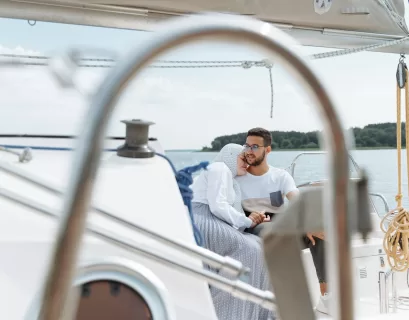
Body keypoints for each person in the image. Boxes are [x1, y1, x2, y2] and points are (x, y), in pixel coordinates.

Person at [235, 127, 330, 315]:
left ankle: (327, 297)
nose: (249, 151)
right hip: (256, 227)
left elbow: (297, 200)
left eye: (255, 146)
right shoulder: (238, 179)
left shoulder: (280, 176)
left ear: (267, 150)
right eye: (247, 146)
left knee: (318, 233)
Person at [191, 143, 274, 320]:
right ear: (229, 155)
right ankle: (229, 314)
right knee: (250, 250)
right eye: (243, 158)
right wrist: (246, 220)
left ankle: (258, 311)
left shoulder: (229, 177)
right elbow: (217, 205)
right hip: (203, 220)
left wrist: (251, 220)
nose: (247, 163)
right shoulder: (219, 168)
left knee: (259, 245)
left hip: (212, 219)